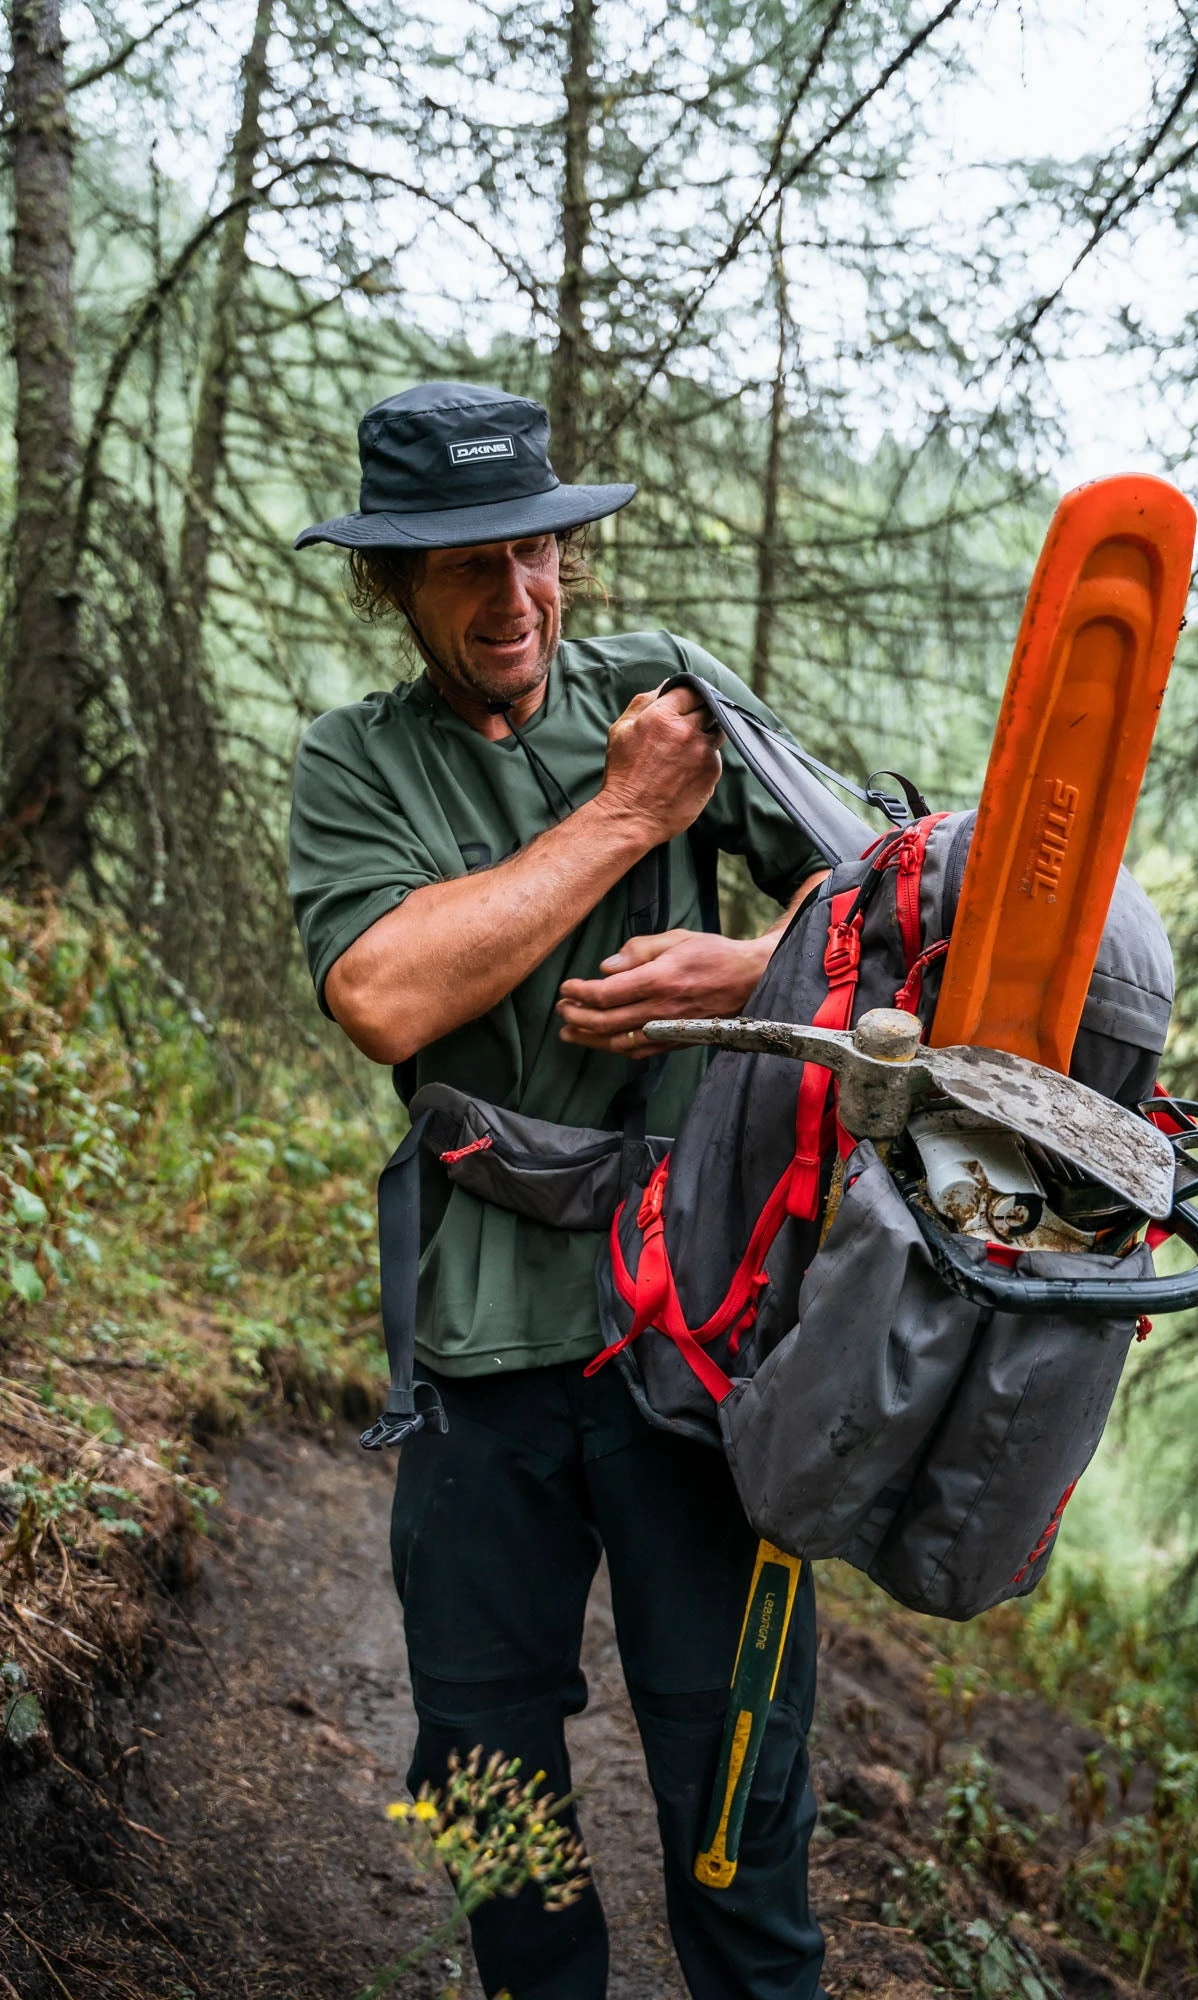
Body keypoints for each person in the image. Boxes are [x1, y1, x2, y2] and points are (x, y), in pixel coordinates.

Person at [289, 380, 830, 2000]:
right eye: (466, 564)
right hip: (479, 1341)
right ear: (393, 582)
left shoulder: (666, 693)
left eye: (531, 551)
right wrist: (630, 817)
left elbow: (881, 890)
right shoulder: (359, 762)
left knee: (733, 1761)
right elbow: (386, 992)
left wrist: (750, 964)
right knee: (483, 1750)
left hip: (696, 1323)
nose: (513, 595)